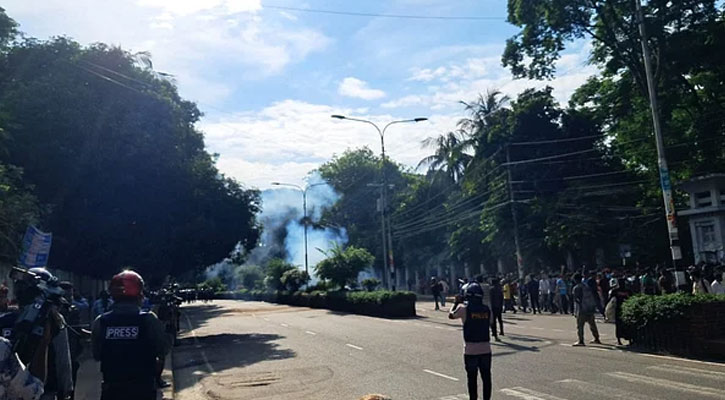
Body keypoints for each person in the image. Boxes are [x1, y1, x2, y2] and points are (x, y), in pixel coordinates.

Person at [92, 270, 170, 400]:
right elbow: (163, 349)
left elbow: (97, 354)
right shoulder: (149, 319)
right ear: (139, 295)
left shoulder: (101, 321)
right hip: (142, 389)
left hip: (112, 389)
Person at [14, 268, 74, 400]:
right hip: (44, 390)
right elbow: (62, 359)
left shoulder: (9, 317)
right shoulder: (53, 320)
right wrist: (66, 390)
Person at [448, 282, 492, 400]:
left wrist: (456, 302)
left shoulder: (463, 309)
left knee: (472, 379)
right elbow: (491, 323)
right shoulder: (486, 309)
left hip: (471, 350)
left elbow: (451, 315)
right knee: (486, 378)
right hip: (486, 349)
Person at [572, 273, 601, 346]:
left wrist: (576, 311)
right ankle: (596, 338)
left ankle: (581, 341)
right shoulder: (586, 286)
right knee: (592, 324)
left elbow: (577, 300)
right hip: (589, 308)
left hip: (582, 309)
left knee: (580, 326)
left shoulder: (576, 288)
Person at [608, 278, 632, 346]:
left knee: (619, 325)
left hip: (619, 309)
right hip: (625, 309)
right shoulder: (628, 291)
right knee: (626, 325)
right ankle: (628, 340)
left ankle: (619, 340)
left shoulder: (615, 291)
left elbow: (609, 299)